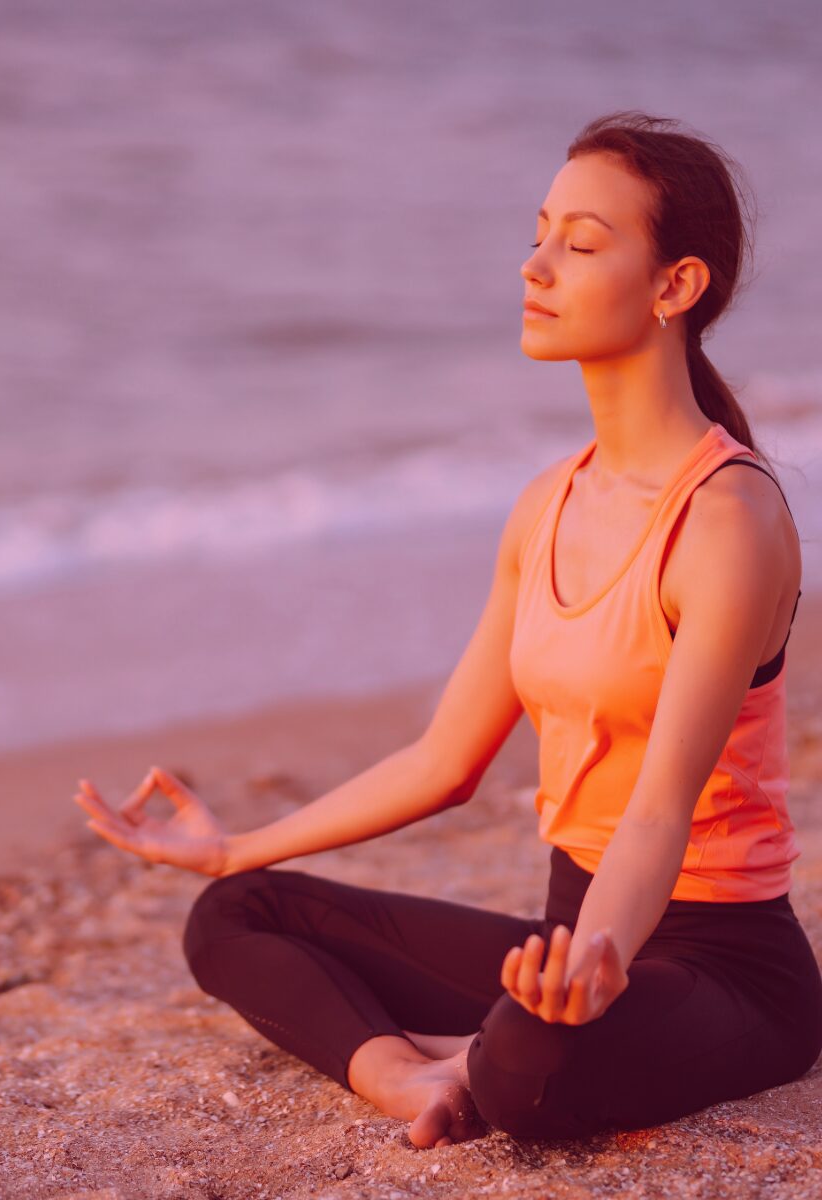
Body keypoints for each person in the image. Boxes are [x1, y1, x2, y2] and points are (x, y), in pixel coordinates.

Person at [71, 110, 822, 1149]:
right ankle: (406, 1080)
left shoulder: (727, 521)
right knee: (238, 915)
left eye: (583, 243)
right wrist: (232, 847)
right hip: (571, 945)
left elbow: (657, 815)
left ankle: (478, 1061)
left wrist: (590, 966)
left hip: (721, 967)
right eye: (540, 232)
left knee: (529, 1065)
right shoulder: (547, 503)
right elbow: (443, 760)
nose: (537, 264)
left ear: (675, 287)